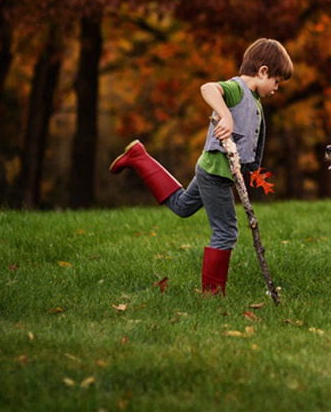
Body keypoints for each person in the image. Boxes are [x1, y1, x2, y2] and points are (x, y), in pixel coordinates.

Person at [109, 38, 293, 295]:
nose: (276, 89)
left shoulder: (254, 100)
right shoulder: (236, 88)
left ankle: (139, 157)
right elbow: (208, 88)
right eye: (276, 82)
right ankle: (212, 295)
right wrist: (225, 115)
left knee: (183, 206)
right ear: (263, 71)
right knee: (226, 231)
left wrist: (253, 171)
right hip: (215, 173)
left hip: (213, 170)